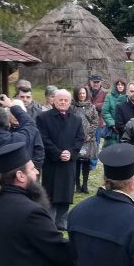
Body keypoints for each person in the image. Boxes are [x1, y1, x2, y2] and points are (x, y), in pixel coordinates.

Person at [36, 89, 85, 230]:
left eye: (66, 100)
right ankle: (49, 221)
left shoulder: (76, 119)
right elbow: (43, 138)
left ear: (70, 102)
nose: (63, 102)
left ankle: (62, 221)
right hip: (51, 162)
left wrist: (70, 153)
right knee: (50, 192)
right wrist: (58, 154)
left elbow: (79, 138)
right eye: (60, 100)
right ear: (54, 100)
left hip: (69, 163)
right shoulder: (43, 118)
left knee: (66, 191)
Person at [71, 85, 100, 194]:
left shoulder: (91, 107)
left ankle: (85, 185)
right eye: (80, 93)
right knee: (77, 162)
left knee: (87, 161)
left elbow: (95, 122)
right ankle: (77, 185)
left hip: (88, 139)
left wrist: (90, 134)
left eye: (83, 93)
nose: (82, 95)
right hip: (76, 139)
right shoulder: (72, 107)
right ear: (76, 94)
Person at [101, 79, 128, 144]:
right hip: (111, 129)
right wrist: (113, 124)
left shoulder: (128, 98)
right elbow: (105, 112)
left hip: (124, 129)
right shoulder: (109, 97)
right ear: (115, 86)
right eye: (118, 84)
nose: (120, 86)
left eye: (122, 85)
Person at [86, 73, 108, 144]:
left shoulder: (105, 92)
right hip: (86, 121)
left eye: (97, 82)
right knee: (85, 141)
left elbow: (106, 105)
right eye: (94, 82)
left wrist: (94, 106)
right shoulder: (85, 90)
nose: (96, 84)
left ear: (101, 82)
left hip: (98, 122)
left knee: (96, 142)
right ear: (90, 82)